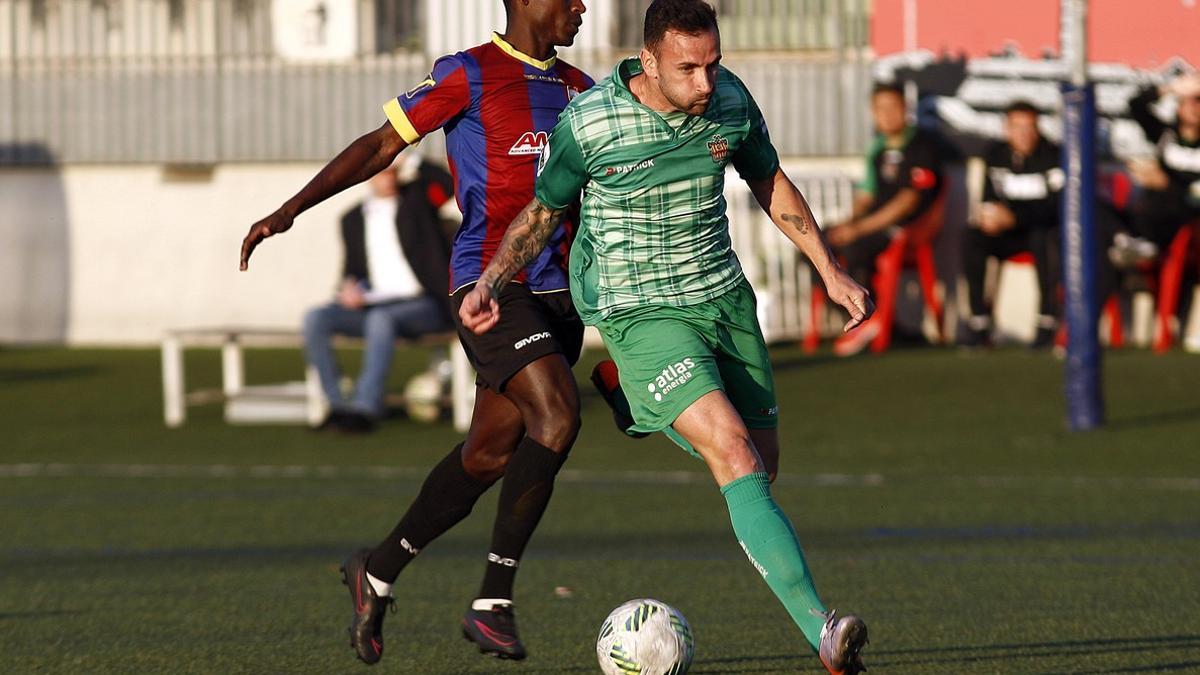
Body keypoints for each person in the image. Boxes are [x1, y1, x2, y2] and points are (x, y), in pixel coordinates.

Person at [459, 2, 871, 672]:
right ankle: (823, 630)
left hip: (721, 297)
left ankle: (632, 398)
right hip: (639, 309)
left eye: (712, 62)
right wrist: (493, 280)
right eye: (688, 68)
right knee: (733, 452)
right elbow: (543, 212)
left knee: (761, 470)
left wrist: (828, 269)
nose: (705, 82)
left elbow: (767, 177)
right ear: (647, 61)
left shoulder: (730, 99)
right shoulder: (590, 122)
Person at [239, 0, 592, 665]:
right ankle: (493, 600)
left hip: (559, 300)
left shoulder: (581, 91)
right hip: (490, 290)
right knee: (558, 416)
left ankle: (374, 569)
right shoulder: (470, 74)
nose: (582, 6)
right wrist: (290, 209)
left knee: (487, 453)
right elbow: (381, 144)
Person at [304, 156, 456, 432]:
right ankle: (336, 407)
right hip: (374, 305)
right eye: (383, 172)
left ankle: (365, 409)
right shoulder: (352, 219)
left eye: (393, 172)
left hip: (423, 304)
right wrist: (349, 288)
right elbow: (353, 271)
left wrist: (412, 157)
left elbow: (448, 185)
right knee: (316, 318)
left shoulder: (417, 202)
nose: (389, 177)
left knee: (381, 319)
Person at [824, 82, 946, 355]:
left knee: (856, 246)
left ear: (906, 109)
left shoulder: (922, 145)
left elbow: (907, 202)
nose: (887, 114)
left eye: (894, 107)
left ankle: (867, 317)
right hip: (872, 224)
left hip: (908, 228)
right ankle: (871, 317)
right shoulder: (877, 149)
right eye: (881, 108)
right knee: (818, 245)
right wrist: (849, 222)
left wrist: (858, 229)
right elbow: (866, 195)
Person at [961, 101, 1064, 348]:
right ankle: (979, 322)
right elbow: (988, 197)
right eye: (1018, 127)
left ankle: (1047, 323)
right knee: (972, 236)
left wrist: (1016, 217)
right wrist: (990, 217)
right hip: (1006, 234)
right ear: (1007, 129)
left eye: (1030, 127)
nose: (1024, 134)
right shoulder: (995, 154)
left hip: (1040, 230)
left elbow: (1057, 207)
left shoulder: (1053, 155)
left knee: (1045, 238)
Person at [1116, 73, 1200, 262]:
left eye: (1199, 101)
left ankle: (1147, 244)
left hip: (1189, 213)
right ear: (1179, 107)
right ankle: (1138, 243)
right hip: (1158, 211)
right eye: (1189, 101)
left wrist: (1166, 183)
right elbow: (1136, 105)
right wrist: (1171, 88)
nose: (1194, 108)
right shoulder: (1165, 135)